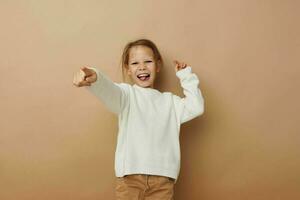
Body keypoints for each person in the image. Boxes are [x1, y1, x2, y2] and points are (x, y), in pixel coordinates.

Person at [73, 38, 204, 200]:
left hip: (163, 179)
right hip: (130, 178)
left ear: (158, 65)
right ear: (127, 69)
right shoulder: (126, 95)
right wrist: (95, 76)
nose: (142, 67)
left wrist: (186, 77)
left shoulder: (171, 102)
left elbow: (196, 107)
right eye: (135, 63)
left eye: (148, 61)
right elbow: (109, 89)